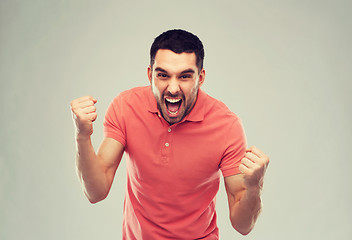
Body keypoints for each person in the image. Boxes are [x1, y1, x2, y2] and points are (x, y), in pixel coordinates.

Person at [70, 29, 269, 239]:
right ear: (150, 75)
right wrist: (82, 135)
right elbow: (96, 191)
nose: (173, 88)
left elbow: (242, 226)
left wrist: (255, 186)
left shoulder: (227, 126)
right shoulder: (125, 107)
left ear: (200, 78)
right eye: (163, 75)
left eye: (184, 76)